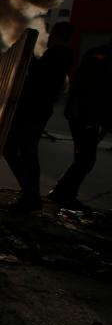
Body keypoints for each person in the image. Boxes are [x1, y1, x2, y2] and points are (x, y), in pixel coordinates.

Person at [3, 21, 75, 212]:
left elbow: (38, 78)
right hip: (39, 110)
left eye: (52, 35)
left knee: (14, 149)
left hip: (33, 110)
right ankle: (30, 194)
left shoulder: (56, 54)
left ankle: (30, 194)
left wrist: (28, 57)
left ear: (58, 36)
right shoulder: (62, 55)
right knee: (27, 151)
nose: (49, 37)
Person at [47, 38, 112, 209]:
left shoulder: (100, 58)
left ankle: (63, 192)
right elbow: (90, 89)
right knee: (86, 159)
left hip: (89, 116)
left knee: (84, 158)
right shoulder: (99, 58)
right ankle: (63, 193)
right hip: (85, 117)